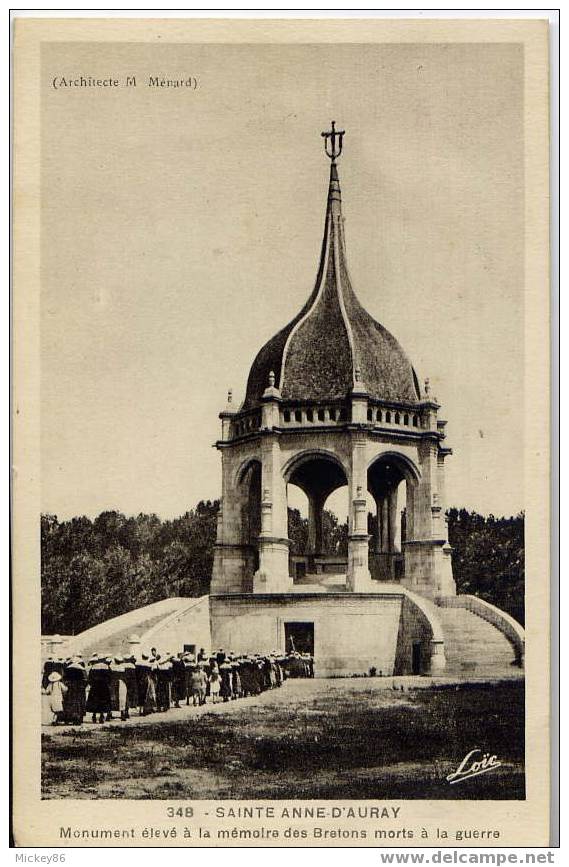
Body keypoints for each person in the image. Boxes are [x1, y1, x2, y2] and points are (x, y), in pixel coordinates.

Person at [86, 655, 112, 724]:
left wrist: (92, 684)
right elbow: (110, 677)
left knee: (94, 701)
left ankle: (94, 715)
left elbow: (90, 677)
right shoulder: (106, 666)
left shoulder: (93, 667)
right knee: (103, 701)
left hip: (95, 686)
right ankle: (101, 716)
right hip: (103, 687)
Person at [62, 657, 88, 725]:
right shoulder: (81, 669)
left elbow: (64, 679)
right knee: (79, 703)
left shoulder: (68, 669)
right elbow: (85, 680)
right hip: (79, 689)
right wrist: (83, 687)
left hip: (71, 689)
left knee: (69, 703)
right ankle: (78, 718)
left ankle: (68, 718)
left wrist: (68, 685)